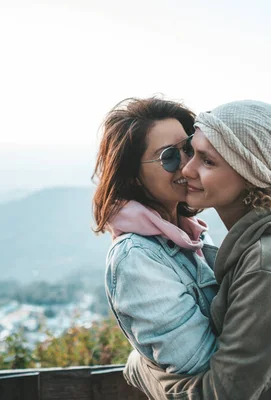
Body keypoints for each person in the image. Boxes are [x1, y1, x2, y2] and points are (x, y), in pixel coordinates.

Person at [124, 100, 271, 400]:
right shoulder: (264, 247)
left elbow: (219, 395)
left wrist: (141, 365)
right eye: (191, 152)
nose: (187, 169)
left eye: (207, 161)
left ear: (251, 174)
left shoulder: (270, 266)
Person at [92, 97, 219, 375]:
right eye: (169, 157)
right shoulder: (135, 258)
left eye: (188, 149)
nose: (187, 166)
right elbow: (200, 368)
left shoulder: (192, 234)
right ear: (133, 175)